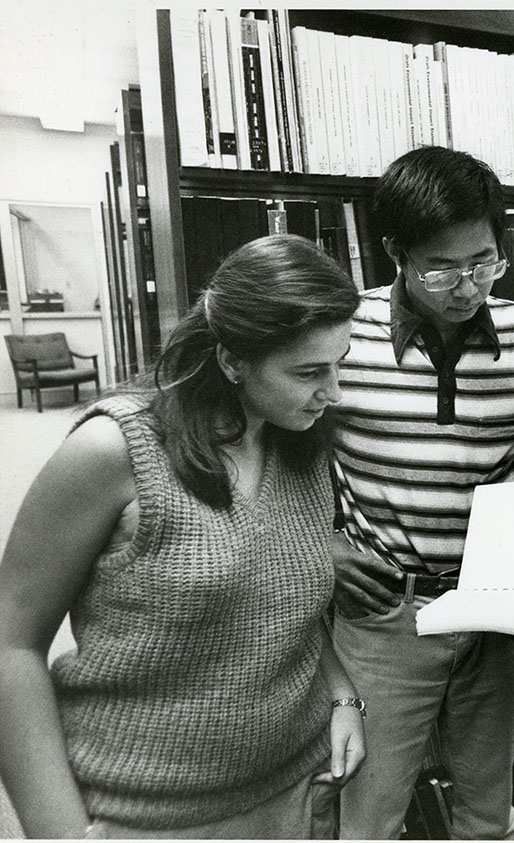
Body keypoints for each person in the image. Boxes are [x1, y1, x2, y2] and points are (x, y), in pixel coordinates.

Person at [0, 234, 366, 839]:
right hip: (148, 814)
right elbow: (11, 644)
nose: (334, 393)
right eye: (309, 372)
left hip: (297, 794)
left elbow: (279, 605)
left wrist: (342, 694)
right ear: (232, 361)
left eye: (340, 363)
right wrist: (58, 832)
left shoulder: (300, 441)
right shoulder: (114, 449)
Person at [328, 145, 514, 839]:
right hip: (383, 613)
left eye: (483, 261)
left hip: (490, 614)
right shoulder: (345, 331)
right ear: (393, 253)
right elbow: (280, 457)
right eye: (441, 266)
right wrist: (320, 544)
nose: (466, 285)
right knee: (369, 816)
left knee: (487, 813)